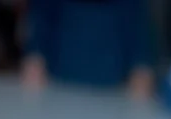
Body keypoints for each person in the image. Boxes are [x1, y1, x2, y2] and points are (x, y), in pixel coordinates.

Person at [21, 0, 155, 100]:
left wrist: (141, 69)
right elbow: (37, 37)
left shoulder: (133, 6)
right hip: (57, 89)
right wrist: (34, 57)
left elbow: (141, 60)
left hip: (111, 93)